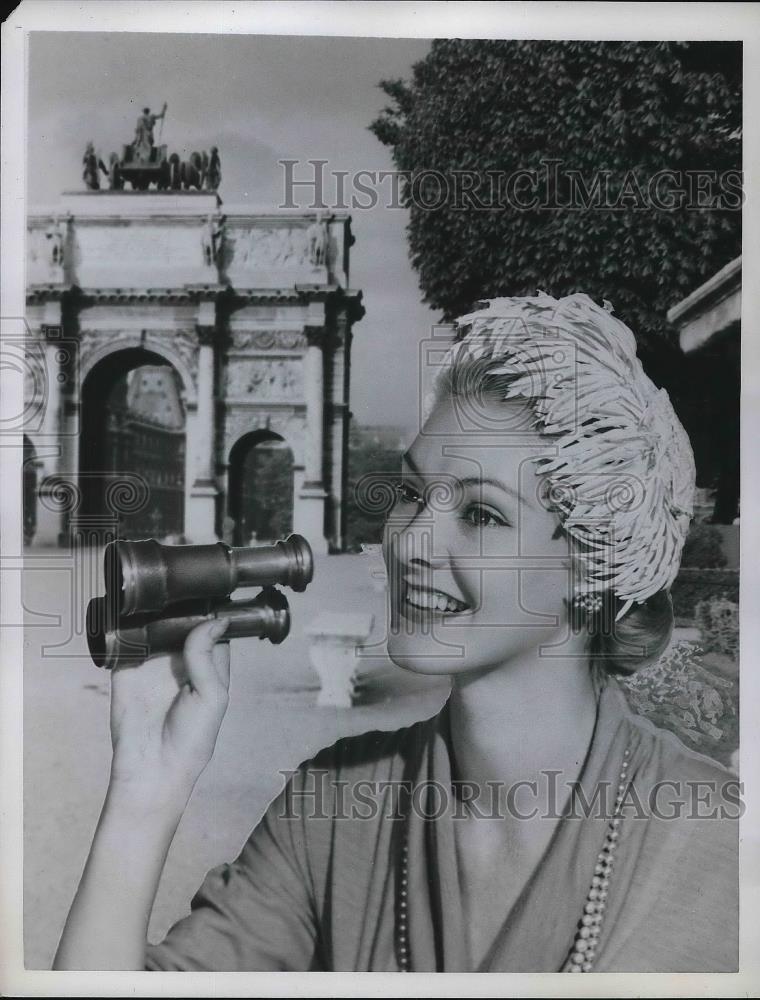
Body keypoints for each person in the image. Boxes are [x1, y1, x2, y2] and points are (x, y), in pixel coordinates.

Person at [53, 293, 739, 973]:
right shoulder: (330, 807)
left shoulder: (728, 850)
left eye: (482, 515)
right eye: (412, 494)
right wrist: (144, 792)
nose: (411, 544)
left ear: (595, 563)